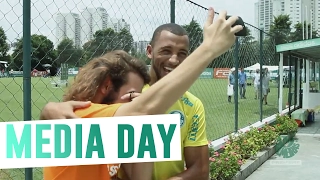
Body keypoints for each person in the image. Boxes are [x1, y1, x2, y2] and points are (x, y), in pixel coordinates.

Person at [40, 8, 243, 180]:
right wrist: (209, 49)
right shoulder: (85, 116)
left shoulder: (107, 131)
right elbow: (144, 109)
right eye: (132, 95)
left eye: (182, 53)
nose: (137, 100)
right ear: (106, 87)